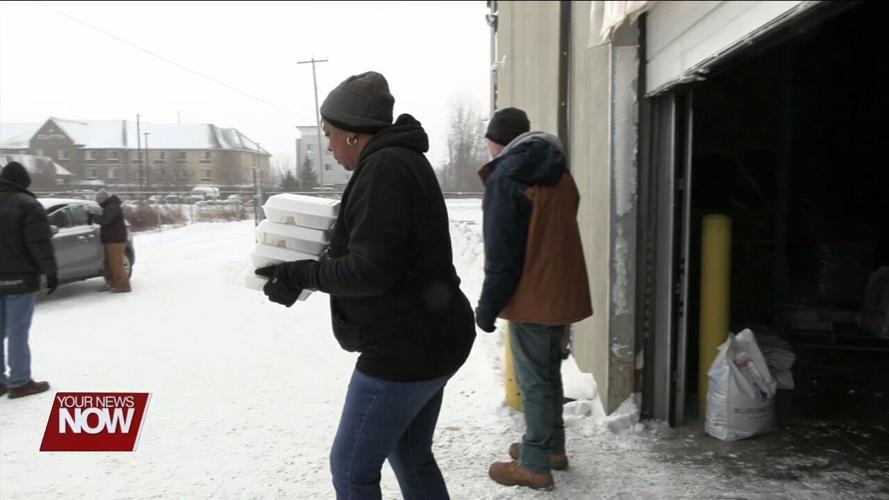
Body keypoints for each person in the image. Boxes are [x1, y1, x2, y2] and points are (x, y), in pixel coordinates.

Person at [255, 71, 476, 499]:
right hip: (435, 335)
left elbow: (370, 270)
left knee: (351, 468)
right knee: (410, 453)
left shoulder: (384, 170)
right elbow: (380, 252)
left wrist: (301, 274)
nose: (329, 145)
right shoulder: (400, 160)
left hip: (406, 348)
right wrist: (311, 266)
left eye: (329, 134)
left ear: (353, 133)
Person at [475, 107, 593, 490]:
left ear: (497, 142)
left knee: (535, 382)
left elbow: (503, 253)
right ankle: (551, 447)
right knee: (549, 374)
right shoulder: (557, 171)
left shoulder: (508, 177)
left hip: (532, 295)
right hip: (561, 288)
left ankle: (535, 463)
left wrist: (487, 307)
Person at [0, 161, 57, 399]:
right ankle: (20, 382)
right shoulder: (28, 205)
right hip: (20, 279)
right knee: (18, 330)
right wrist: (50, 272)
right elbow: (39, 243)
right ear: (23, 182)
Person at [91, 189, 130, 293]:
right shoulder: (109, 206)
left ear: (103, 199)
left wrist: (93, 217)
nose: (97, 202)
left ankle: (123, 286)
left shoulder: (112, 207)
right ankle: (112, 283)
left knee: (116, 264)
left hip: (116, 240)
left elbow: (106, 220)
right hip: (111, 239)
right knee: (109, 264)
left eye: (98, 200)